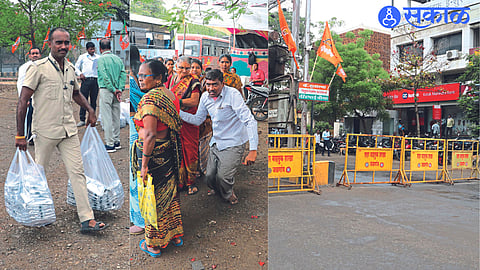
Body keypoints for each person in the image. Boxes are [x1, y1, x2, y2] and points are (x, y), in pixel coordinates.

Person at [15, 27, 106, 233]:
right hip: (45, 132)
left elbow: (76, 94)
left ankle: (87, 219)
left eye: (66, 42)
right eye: (59, 42)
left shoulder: (71, 68)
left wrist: (90, 109)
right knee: (39, 175)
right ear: (50, 44)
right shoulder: (37, 68)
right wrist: (20, 135)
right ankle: (37, 213)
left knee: (78, 173)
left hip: (69, 130)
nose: (63, 46)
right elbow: (23, 102)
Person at [179, 69, 258, 205]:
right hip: (216, 142)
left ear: (222, 83)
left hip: (234, 142)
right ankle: (219, 189)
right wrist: (178, 113)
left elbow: (250, 121)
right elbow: (198, 119)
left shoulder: (233, 95)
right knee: (209, 177)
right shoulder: (204, 97)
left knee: (223, 177)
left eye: (215, 84)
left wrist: (253, 150)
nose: (211, 88)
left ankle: (227, 194)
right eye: (208, 84)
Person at [132, 59, 184, 257]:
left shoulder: (150, 100)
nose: (141, 79)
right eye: (140, 75)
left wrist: (143, 164)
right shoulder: (170, 95)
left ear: (159, 78)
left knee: (151, 198)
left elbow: (150, 135)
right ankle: (175, 234)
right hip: (169, 151)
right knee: (169, 195)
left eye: (146, 75)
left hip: (153, 156)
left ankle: (153, 243)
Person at [168, 56, 201, 195]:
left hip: (189, 121)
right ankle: (180, 181)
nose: (184, 70)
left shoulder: (193, 81)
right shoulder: (171, 80)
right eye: (181, 67)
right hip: (175, 121)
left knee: (190, 150)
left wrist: (176, 102)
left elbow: (194, 101)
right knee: (177, 150)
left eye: (187, 68)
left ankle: (191, 182)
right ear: (176, 67)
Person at [97, 38, 127, 153]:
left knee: (107, 118)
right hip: (117, 91)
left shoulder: (101, 60)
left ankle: (110, 144)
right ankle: (116, 141)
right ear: (110, 47)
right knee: (116, 115)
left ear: (100, 48)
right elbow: (123, 74)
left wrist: (112, 89)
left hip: (106, 90)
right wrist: (119, 89)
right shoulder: (118, 59)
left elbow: (104, 76)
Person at [129, 46, 145, 235]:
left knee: (136, 174)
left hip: (136, 126)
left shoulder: (133, 78)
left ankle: (140, 220)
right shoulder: (139, 75)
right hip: (139, 125)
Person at [190, 59, 212, 176]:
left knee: (204, 145)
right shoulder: (186, 83)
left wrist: (208, 116)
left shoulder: (206, 83)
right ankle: (195, 169)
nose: (194, 70)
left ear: (201, 69)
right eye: (192, 67)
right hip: (189, 119)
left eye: (197, 67)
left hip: (204, 120)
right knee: (192, 145)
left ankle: (206, 170)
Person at [17, 47, 41, 144]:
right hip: (29, 97)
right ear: (29, 55)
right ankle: (28, 136)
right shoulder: (24, 67)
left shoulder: (43, 66)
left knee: (40, 116)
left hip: (41, 97)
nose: (35, 55)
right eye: (33, 53)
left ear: (40, 55)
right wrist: (22, 98)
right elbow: (20, 82)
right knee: (29, 116)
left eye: (37, 53)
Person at [75, 41, 99, 127]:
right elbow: (76, 67)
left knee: (93, 100)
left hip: (95, 80)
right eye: (90, 49)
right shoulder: (82, 57)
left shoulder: (98, 57)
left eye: (93, 49)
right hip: (86, 80)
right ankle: (82, 119)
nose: (92, 51)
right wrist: (80, 74)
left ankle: (92, 119)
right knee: (83, 99)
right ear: (87, 49)